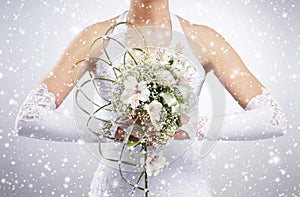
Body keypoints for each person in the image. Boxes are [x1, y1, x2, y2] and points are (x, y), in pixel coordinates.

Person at [15, 0, 287, 196]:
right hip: (115, 188)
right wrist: (111, 129)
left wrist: (191, 128)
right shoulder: (98, 37)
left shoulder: (203, 38)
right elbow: (28, 119)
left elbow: (273, 119)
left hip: (184, 188)